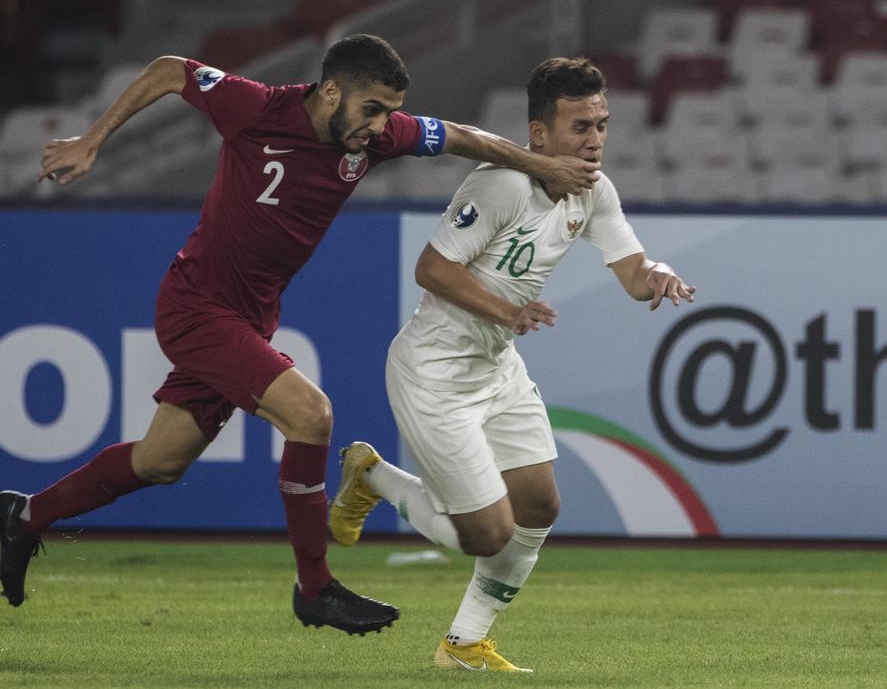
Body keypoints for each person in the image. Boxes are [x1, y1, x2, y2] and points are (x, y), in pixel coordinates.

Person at [0, 34, 600, 636]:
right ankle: (315, 588)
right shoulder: (256, 108)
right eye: (372, 110)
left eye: (389, 112)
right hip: (197, 308)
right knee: (311, 416)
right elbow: (168, 69)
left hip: (250, 317)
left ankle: (23, 517)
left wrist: (538, 164)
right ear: (332, 92)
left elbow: (461, 136)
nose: (381, 126)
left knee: (159, 462)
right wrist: (92, 139)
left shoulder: (376, 138)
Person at [328, 56, 696, 670]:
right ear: (539, 134)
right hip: (434, 374)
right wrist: (508, 311)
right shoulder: (499, 185)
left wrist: (657, 272)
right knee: (485, 535)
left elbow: (634, 273)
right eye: (580, 126)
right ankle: (372, 477)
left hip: (496, 368)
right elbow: (432, 269)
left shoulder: (594, 191)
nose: (595, 140)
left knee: (539, 507)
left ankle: (463, 644)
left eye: (602, 125)